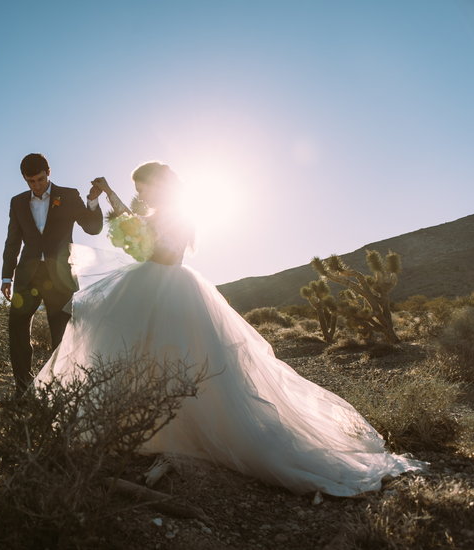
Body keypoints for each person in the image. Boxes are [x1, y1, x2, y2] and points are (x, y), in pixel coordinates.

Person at [34, 161, 426, 497]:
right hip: (155, 284)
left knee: (176, 355)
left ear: (157, 184)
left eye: (142, 188)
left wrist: (125, 223)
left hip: (165, 286)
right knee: (142, 350)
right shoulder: (162, 213)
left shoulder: (178, 214)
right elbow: (139, 230)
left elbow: (153, 247)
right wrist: (115, 201)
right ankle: (149, 425)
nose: (141, 194)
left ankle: (174, 430)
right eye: (136, 190)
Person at [1, 153, 104, 398]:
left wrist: (92, 201)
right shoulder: (17, 202)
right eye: (31, 181)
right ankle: (23, 391)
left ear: (49, 172)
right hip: (28, 277)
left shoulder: (68, 196)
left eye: (40, 179)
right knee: (17, 329)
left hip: (60, 277)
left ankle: (60, 392)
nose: (36, 185)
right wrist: (7, 277)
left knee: (61, 335)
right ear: (24, 180)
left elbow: (92, 228)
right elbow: (13, 241)